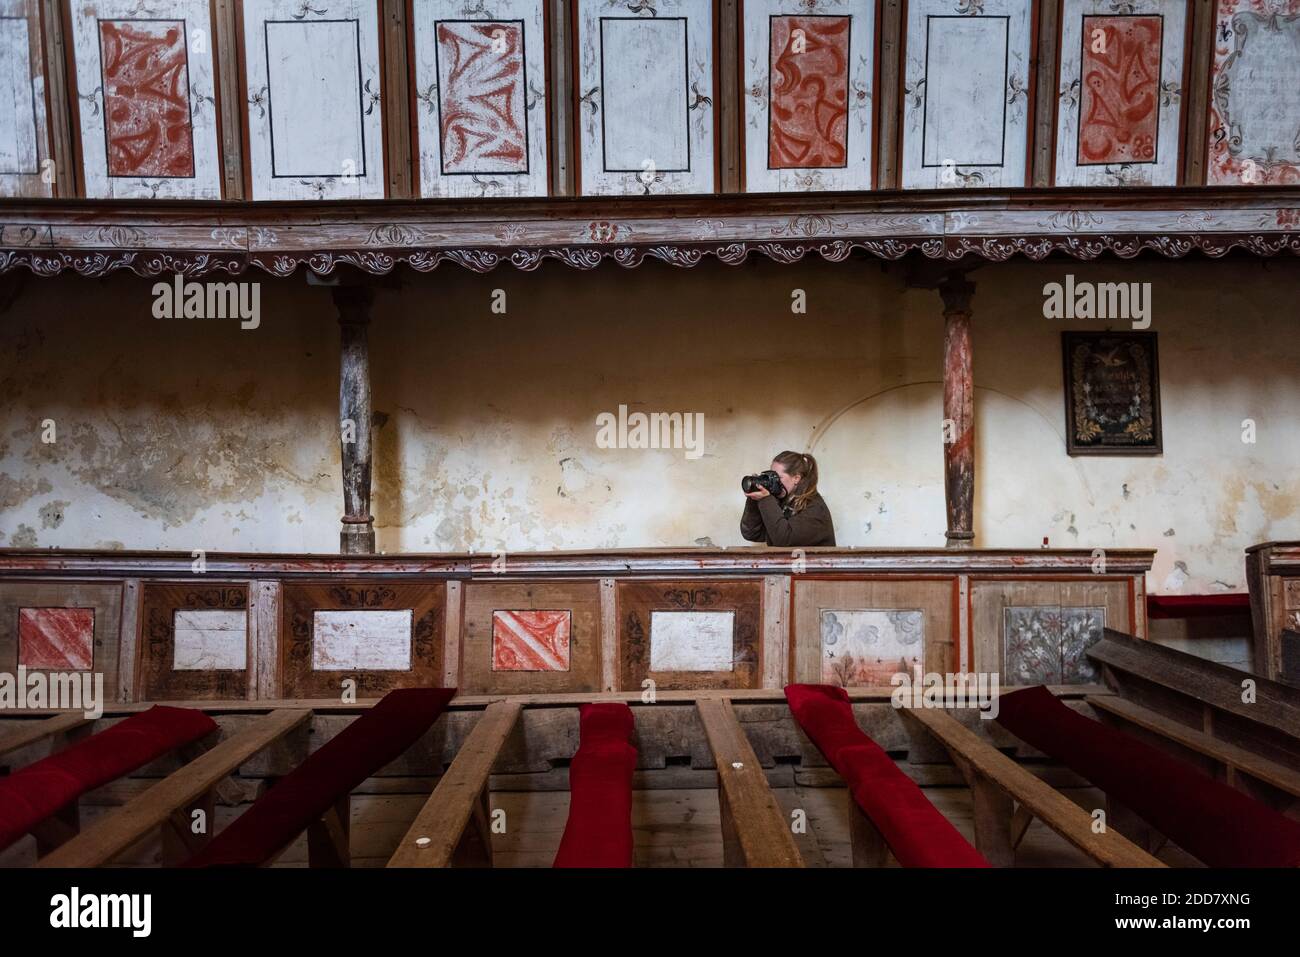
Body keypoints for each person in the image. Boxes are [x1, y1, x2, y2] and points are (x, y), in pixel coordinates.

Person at [740, 450, 836, 547]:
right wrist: (754, 498)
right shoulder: (782, 501)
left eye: (778, 477)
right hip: (790, 561)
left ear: (796, 478)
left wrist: (765, 500)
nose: (773, 481)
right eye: (771, 476)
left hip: (816, 562)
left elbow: (784, 540)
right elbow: (752, 533)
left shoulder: (815, 508)